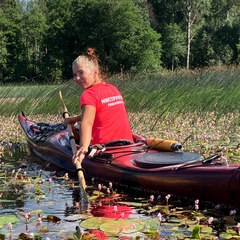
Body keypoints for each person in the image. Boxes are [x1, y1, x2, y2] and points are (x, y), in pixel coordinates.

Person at [64, 48, 133, 163]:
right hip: (127, 146)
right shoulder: (112, 89)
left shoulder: (88, 94)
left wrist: (83, 147)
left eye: (81, 73)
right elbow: (99, 112)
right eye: (75, 74)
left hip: (104, 148)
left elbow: (87, 122)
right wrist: (75, 119)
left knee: (80, 130)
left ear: (95, 73)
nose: (77, 78)